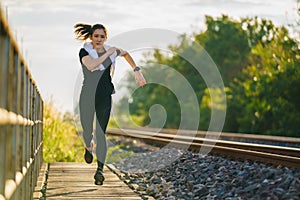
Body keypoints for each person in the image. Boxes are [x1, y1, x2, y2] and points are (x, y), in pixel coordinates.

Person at [74, 23, 146, 185]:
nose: (99, 39)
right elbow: (91, 66)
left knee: (101, 133)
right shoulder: (84, 51)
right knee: (87, 131)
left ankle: (100, 170)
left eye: (102, 36)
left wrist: (137, 70)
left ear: (105, 38)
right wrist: (110, 53)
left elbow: (126, 54)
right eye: (96, 36)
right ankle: (88, 146)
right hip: (87, 96)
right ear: (91, 37)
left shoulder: (111, 51)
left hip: (105, 96)